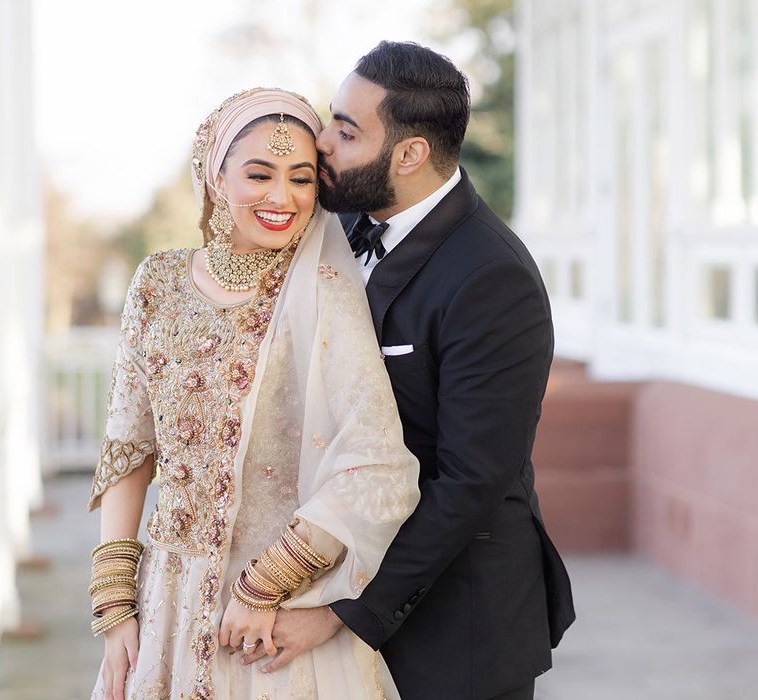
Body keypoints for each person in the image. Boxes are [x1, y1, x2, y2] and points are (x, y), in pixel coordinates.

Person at [241, 42, 576, 700]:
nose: (321, 144)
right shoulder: (329, 223)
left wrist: (345, 614)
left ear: (410, 154)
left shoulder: (492, 276)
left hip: (454, 630)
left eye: (345, 130)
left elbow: (471, 479)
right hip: (332, 585)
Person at [87, 87, 420, 700]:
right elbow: (129, 448)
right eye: (259, 174)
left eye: (301, 179)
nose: (281, 197)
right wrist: (115, 608)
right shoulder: (157, 283)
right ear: (216, 177)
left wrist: (263, 584)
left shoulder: (325, 293)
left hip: (272, 615)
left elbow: (377, 467)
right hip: (164, 603)